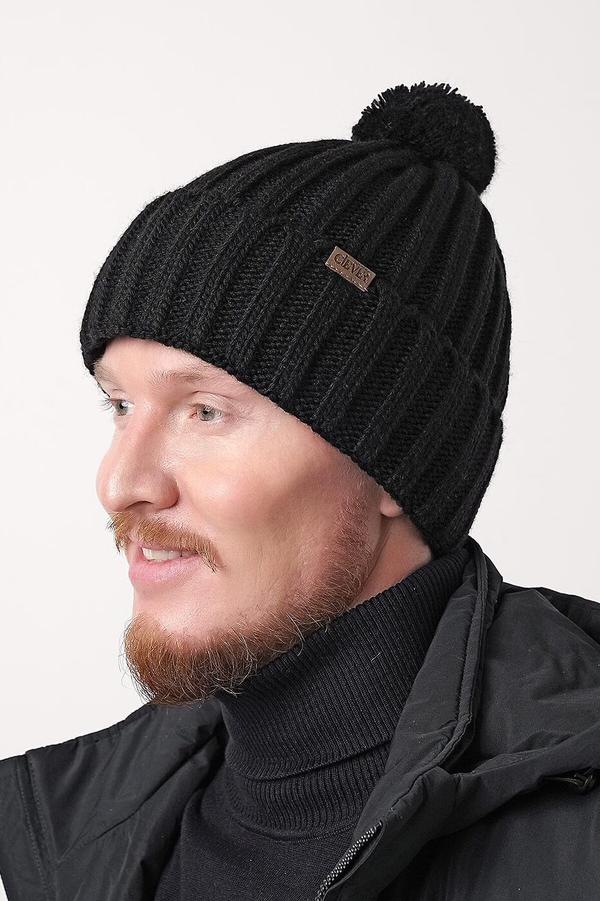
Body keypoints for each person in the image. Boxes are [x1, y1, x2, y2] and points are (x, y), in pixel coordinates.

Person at [1, 81, 599, 901]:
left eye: (205, 411)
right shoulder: (74, 836)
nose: (121, 482)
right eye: (121, 405)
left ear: (392, 454)